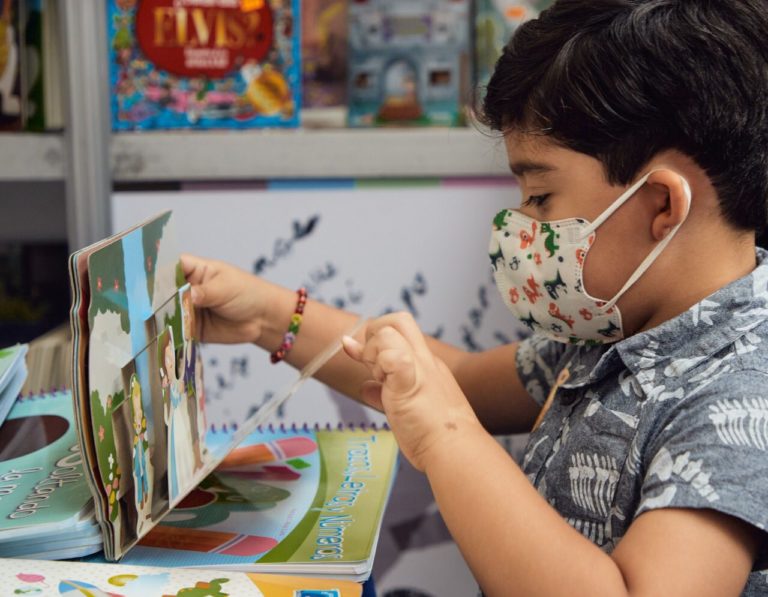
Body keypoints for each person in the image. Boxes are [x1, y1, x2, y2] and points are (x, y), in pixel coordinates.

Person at [181, 1, 768, 594]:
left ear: (662, 205)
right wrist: (265, 317)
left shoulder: (742, 400)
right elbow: (458, 377)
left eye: (540, 196)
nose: (519, 224)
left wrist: (445, 436)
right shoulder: (616, 327)